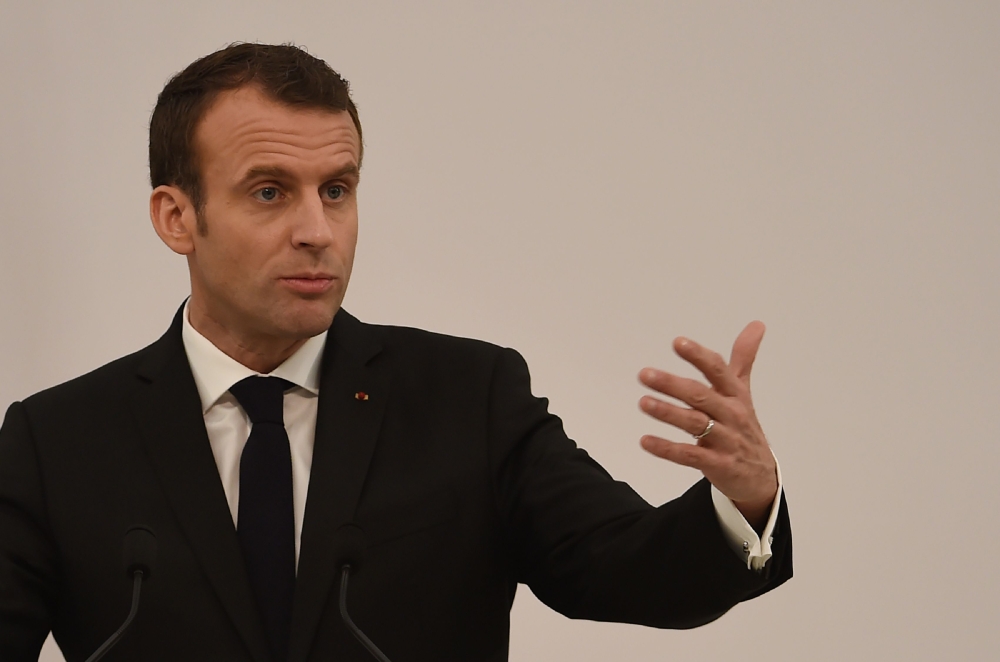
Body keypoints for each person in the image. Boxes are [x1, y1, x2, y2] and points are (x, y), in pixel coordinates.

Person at [0, 43, 791, 662]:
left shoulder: (468, 399)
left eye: (336, 189)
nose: (317, 229)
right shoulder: (56, 442)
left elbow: (627, 569)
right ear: (177, 218)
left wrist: (743, 504)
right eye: (270, 191)